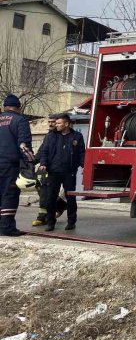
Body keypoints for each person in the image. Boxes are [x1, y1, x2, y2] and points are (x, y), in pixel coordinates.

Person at [38, 114, 85, 231]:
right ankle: (50, 223)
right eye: (56, 123)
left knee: (70, 198)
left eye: (59, 123)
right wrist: (43, 163)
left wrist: (84, 166)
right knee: (51, 198)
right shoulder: (51, 136)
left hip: (69, 172)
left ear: (67, 124)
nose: (56, 125)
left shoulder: (77, 136)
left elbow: (81, 153)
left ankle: (71, 222)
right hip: (53, 172)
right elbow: (44, 151)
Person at [0, 94, 33, 236]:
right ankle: (7, 228)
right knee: (10, 194)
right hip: (9, 165)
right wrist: (30, 161)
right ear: (18, 108)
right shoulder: (20, 120)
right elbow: (23, 145)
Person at [31, 115, 67, 227]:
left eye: (54, 122)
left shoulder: (62, 136)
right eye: (49, 122)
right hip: (45, 167)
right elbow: (42, 151)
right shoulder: (49, 135)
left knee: (47, 191)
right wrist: (32, 162)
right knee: (39, 186)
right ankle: (54, 208)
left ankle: (44, 216)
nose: (51, 124)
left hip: (56, 169)